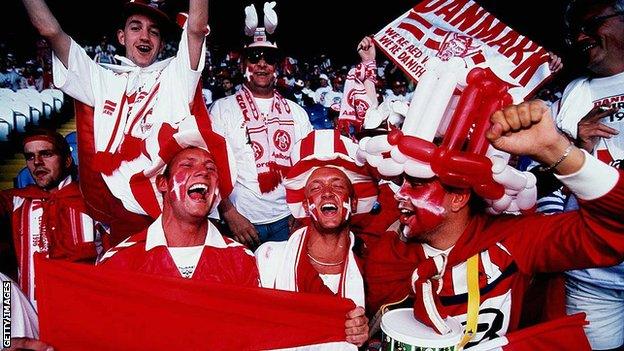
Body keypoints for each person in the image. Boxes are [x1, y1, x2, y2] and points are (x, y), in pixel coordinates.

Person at [364, 100, 624, 349]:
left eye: (417, 185)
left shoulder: (514, 238)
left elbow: (611, 230)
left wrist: (554, 149)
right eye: (402, 183)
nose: (400, 194)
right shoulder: (386, 253)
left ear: (458, 198)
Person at [20, 0, 211, 246]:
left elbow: (196, 29)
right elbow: (50, 31)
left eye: (154, 31)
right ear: (121, 36)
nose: (145, 36)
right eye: (135, 28)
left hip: (172, 206)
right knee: (126, 283)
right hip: (122, 211)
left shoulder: (176, 77)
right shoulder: (101, 79)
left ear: (162, 44)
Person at [546, 1, 624, 349]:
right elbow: (550, 182)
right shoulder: (576, 92)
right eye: (575, 30)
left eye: (592, 24)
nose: (580, 36)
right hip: (594, 276)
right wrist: (576, 146)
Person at [255, 130, 376, 349]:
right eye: (316, 187)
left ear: (354, 203)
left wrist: (361, 332)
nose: (327, 193)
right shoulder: (268, 258)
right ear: (304, 206)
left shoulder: (370, 266)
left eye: (338, 186)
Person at [210, 6, 313, 248]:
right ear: (243, 64)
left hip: (286, 221)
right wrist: (229, 214)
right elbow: (212, 165)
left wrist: (300, 214)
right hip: (240, 220)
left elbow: (307, 168)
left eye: (270, 58)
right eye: (254, 58)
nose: (262, 64)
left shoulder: (297, 113)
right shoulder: (222, 109)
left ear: (278, 65)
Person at [99, 141, 259, 286]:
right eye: (188, 165)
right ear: (163, 184)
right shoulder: (119, 261)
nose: (204, 172)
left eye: (211, 168)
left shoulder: (240, 259)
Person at [0, 129, 101, 306]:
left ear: (68, 160)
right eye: (30, 157)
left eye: (46, 154)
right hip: (31, 314)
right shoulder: (16, 200)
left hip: (83, 309)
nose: (37, 162)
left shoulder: (93, 201)